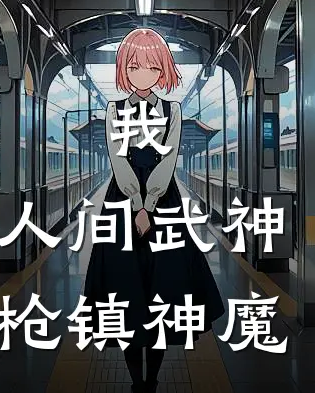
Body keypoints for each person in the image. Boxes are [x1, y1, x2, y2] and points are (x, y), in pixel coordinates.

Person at [83, 28, 224, 392]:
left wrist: (148, 204)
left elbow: (169, 158)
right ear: (123, 69)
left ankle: (152, 381)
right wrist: (137, 203)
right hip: (125, 199)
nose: (142, 74)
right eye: (134, 66)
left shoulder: (172, 110)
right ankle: (138, 383)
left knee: (164, 292)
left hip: (161, 200)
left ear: (162, 70)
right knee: (125, 294)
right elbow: (118, 159)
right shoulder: (113, 110)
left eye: (151, 66)